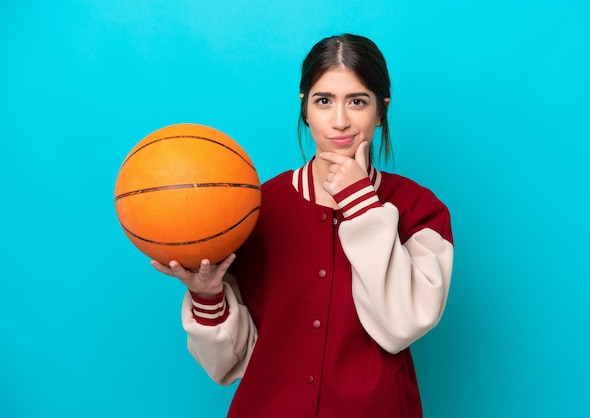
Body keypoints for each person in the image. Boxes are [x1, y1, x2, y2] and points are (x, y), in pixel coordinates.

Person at [152, 33, 454, 418]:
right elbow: (228, 364)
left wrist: (360, 202)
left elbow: (404, 322)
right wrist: (208, 296)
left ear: (381, 111)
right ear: (305, 109)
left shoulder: (421, 210)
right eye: (324, 101)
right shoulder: (252, 208)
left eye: (358, 101)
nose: (340, 120)